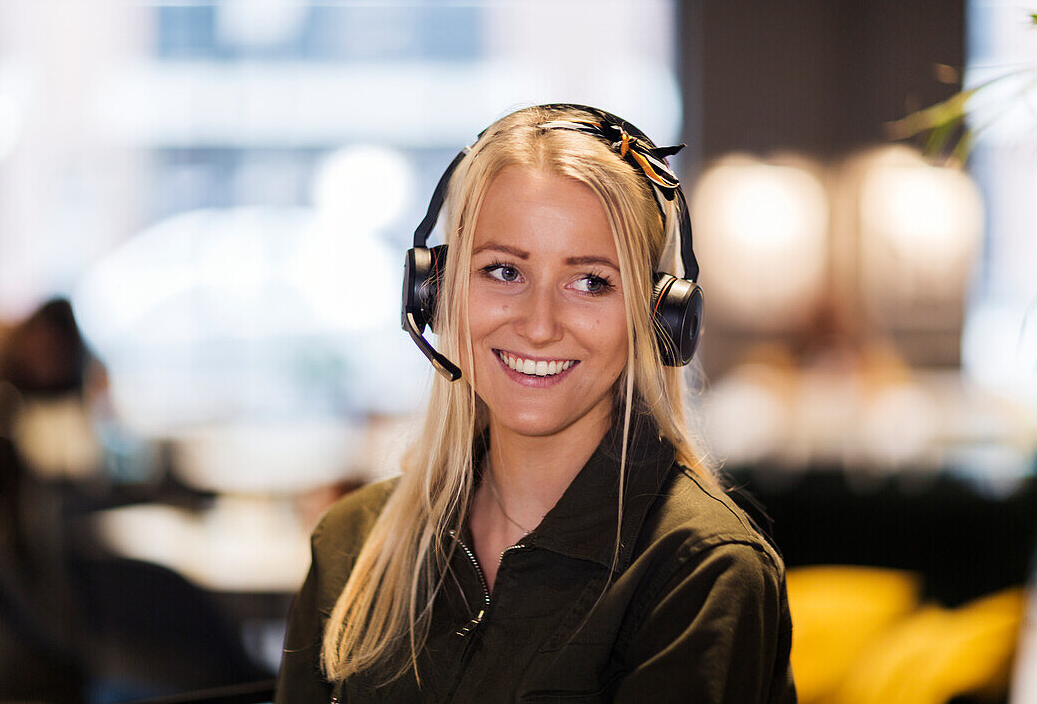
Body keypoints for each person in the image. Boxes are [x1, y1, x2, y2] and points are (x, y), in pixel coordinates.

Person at [276, 104, 796, 702]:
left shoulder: (702, 573)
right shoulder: (351, 543)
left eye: (591, 281)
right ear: (437, 291)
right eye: (503, 270)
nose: (540, 325)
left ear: (657, 316)